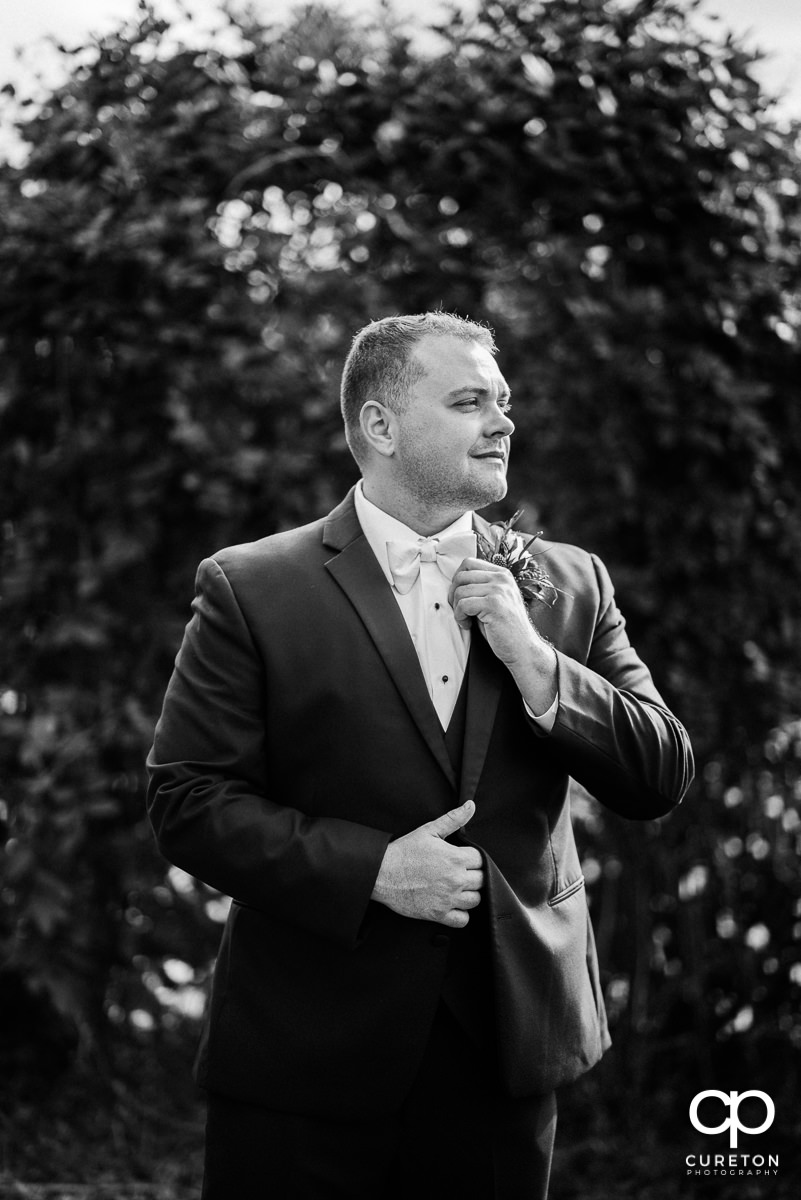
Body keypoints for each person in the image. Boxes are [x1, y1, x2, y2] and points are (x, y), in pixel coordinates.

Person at [146, 311, 693, 1199]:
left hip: (505, 1053)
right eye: (470, 400)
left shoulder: (569, 585)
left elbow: (660, 772)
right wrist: (373, 870)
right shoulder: (253, 588)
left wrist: (535, 661)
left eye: (504, 401)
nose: (503, 421)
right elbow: (188, 801)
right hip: (306, 1058)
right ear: (380, 427)